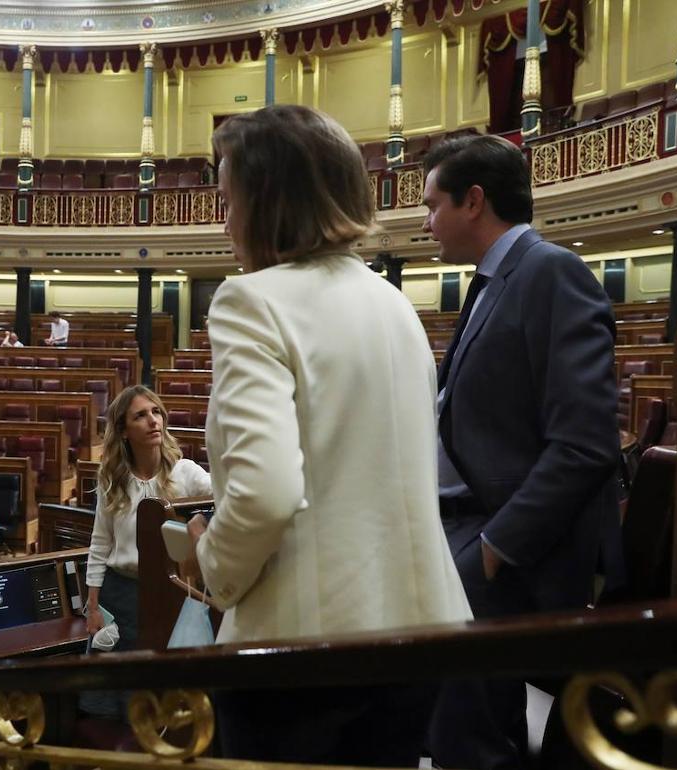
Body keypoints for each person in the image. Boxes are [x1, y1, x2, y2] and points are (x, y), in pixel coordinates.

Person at [182, 105, 472, 767]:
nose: (222, 219)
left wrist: (211, 566)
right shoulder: (393, 302)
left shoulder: (251, 300)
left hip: (303, 647)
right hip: (418, 631)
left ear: (266, 200)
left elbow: (264, 493)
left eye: (228, 199)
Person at [420, 134, 620, 770]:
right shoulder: (496, 279)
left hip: (505, 555)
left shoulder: (550, 271)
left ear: (474, 201)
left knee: (473, 744)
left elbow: (586, 444)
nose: (425, 222)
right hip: (469, 535)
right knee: (457, 730)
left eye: (432, 205)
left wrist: (495, 549)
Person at [84, 384, 211, 716]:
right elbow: (100, 542)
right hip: (120, 592)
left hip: (169, 592)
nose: (153, 421)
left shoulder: (186, 473)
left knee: (159, 691)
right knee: (116, 694)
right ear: (124, 431)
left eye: (156, 412)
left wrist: (200, 520)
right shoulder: (113, 479)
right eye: (141, 415)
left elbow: (223, 499)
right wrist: (93, 604)